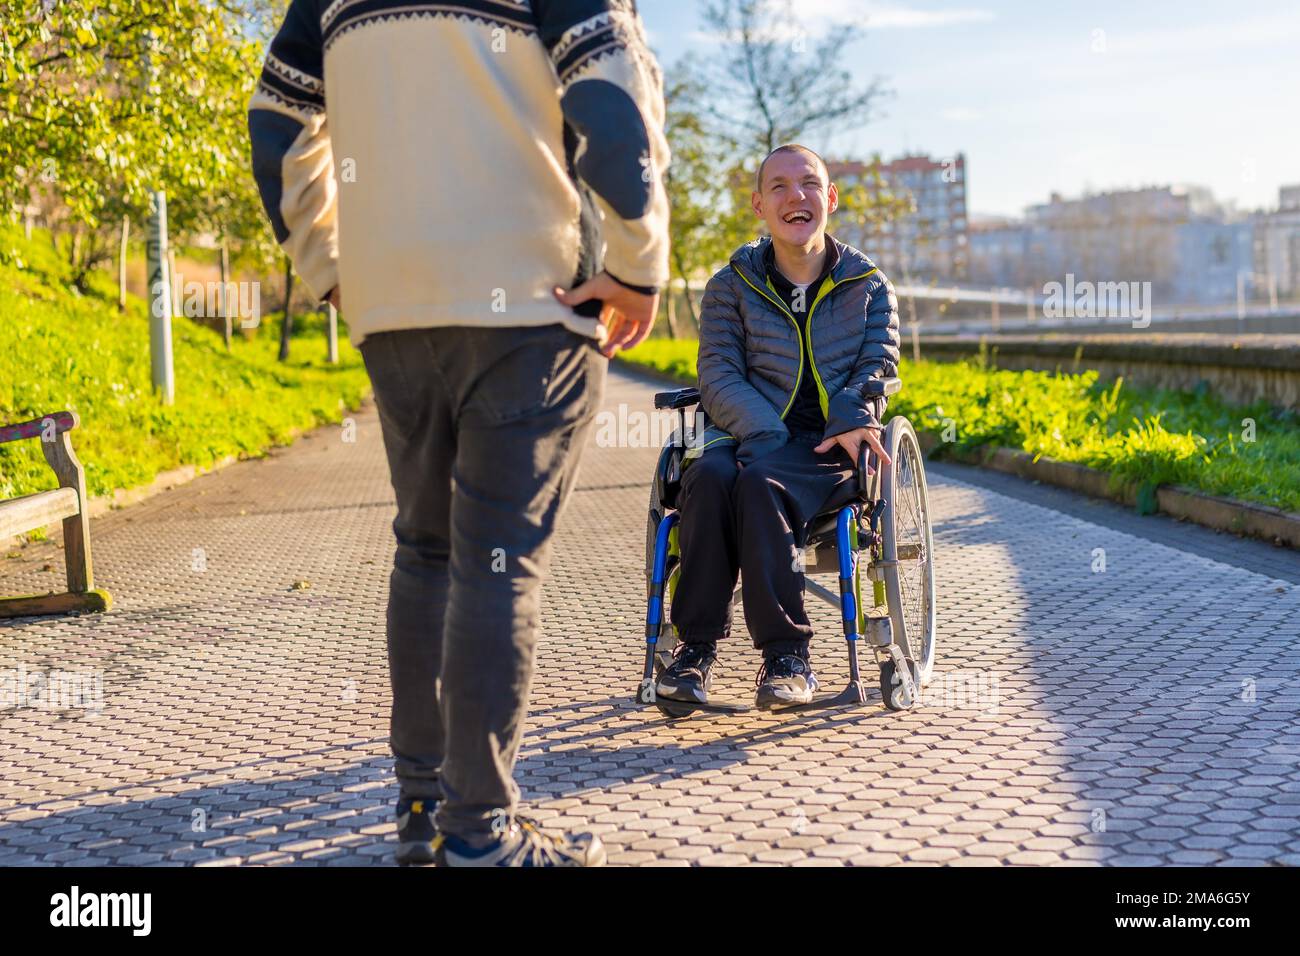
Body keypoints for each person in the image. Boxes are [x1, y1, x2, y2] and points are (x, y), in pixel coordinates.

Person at [248, 0, 669, 866]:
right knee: (496, 559)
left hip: (393, 307)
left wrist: (332, 267)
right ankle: (480, 834)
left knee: (426, 548)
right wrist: (638, 261)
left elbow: (277, 118)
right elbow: (608, 85)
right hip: (530, 295)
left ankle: (422, 802)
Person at [656, 144, 900, 710]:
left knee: (760, 483)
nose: (797, 197)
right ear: (758, 205)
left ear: (830, 198)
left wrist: (848, 414)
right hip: (741, 435)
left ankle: (787, 656)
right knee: (709, 478)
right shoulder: (729, 285)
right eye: (781, 187)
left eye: (810, 184)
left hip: (829, 445)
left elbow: (878, 366)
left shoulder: (868, 285)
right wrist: (762, 438)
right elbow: (717, 373)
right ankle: (694, 651)